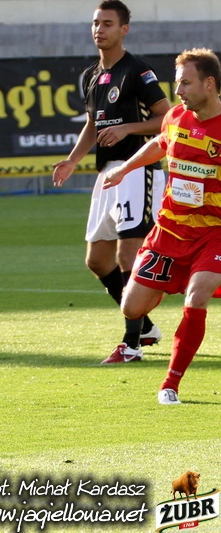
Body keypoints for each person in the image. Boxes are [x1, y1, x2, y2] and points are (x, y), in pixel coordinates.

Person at [52, 0, 172, 364]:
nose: (99, 29)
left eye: (107, 23)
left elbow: (167, 119)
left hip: (138, 168)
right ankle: (144, 325)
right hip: (107, 172)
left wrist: (127, 128)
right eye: (95, 23)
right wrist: (72, 160)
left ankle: (131, 344)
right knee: (97, 259)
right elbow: (93, 124)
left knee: (127, 253)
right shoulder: (91, 75)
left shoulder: (137, 70)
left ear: (124, 29)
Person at [103, 48, 221, 404]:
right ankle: (175, 281)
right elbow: (160, 143)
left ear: (209, 84)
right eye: (177, 82)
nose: (178, 90)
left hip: (213, 233)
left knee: (197, 296)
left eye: (186, 83)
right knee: (131, 309)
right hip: (169, 232)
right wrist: (125, 168)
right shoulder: (175, 117)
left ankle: (170, 384)